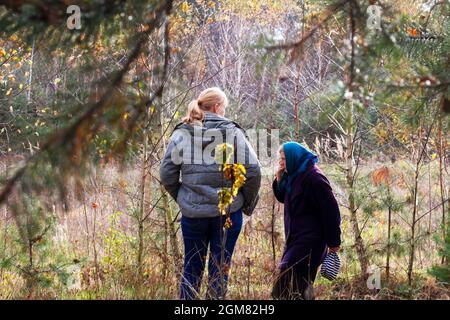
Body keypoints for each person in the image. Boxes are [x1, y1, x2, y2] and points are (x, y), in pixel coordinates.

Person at [160, 87, 261, 299]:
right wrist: (245, 202)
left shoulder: (182, 133)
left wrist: (184, 198)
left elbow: (167, 174)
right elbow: (253, 171)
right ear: (217, 107)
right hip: (227, 213)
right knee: (219, 271)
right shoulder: (232, 132)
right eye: (223, 107)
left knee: (191, 268)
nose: (224, 111)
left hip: (193, 215)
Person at [271, 141, 341, 300]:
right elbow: (284, 198)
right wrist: (279, 178)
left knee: (284, 289)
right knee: (299, 289)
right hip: (295, 240)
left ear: (294, 157)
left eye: (284, 159)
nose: (281, 162)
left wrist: (334, 244)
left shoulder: (315, 178)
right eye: (280, 159)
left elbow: (331, 212)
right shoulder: (295, 174)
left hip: (310, 243)